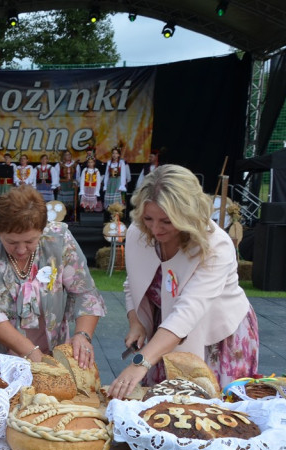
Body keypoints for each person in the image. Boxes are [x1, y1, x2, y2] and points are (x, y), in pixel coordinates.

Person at [107, 165, 258, 399]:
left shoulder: (215, 245)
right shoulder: (138, 232)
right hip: (164, 334)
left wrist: (140, 363)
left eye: (166, 221)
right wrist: (137, 322)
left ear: (186, 214)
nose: (155, 229)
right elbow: (133, 283)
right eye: (148, 218)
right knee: (163, 409)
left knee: (214, 415)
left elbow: (187, 312)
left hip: (217, 337)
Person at [0, 185, 105, 368]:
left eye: (30, 241)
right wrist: (30, 351)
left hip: (49, 345)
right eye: (11, 242)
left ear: (42, 229)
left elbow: (85, 293)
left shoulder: (59, 238)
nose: (21, 250)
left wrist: (83, 335)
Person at [103, 147, 130, 212]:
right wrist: (105, 186)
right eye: (113, 153)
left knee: (116, 201)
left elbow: (123, 175)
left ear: (119, 155)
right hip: (110, 182)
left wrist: (122, 185)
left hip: (117, 182)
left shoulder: (121, 163)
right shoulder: (109, 163)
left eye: (116, 153)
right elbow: (106, 175)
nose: (114, 155)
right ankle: (111, 215)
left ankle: (117, 216)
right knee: (110, 202)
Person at [53, 150, 79, 215]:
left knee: (72, 201)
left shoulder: (75, 165)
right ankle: (62, 215)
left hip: (72, 185)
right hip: (63, 184)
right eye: (67, 155)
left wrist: (76, 184)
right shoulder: (59, 165)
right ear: (64, 156)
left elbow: (78, 176)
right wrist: (58, 185)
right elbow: (56, 176)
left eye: (69, 155)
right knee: (62, 202)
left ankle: (71, 216)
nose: (68, 156)